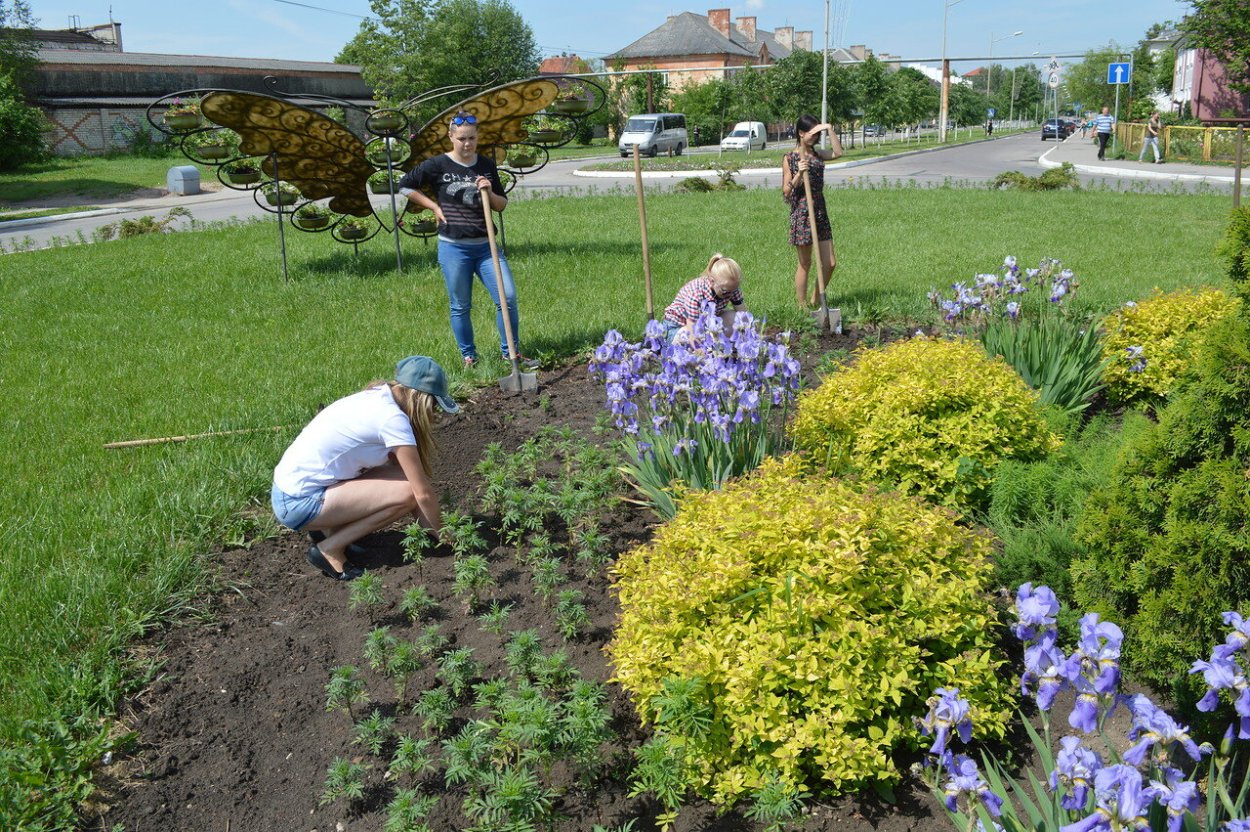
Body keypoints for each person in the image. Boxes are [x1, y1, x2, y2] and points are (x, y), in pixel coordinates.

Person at [271, 355, 457, 581]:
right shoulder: (393, 421)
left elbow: (407, 476)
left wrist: (435, 533)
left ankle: (328, 530)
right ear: (421, 400)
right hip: (297, 502)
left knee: (404, 479)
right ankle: (330, 548)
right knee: (408, 492)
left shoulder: (378, 397)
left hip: (292, 488)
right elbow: (421, 493)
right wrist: (448, 538)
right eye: (435, 405)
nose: (434, 413)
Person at [398, 110, 536, 369]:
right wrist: (434, 207)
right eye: (461, 138)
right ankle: (469, 357)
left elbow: (501, 205)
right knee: (460, 305)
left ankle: (511, 353)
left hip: (487, 247)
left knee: (507, 297)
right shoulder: (437, 165)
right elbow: (405, 186)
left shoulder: (485, 165)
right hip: (454, 248)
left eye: (471, 138)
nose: (467, 143)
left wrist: (488, 190)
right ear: (451, 136)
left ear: (478, 136)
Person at [781, 114, 843, 309]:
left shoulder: (817, 155)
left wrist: (829, 129)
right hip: (802, 213)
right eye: (812, 133)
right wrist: (799, 173)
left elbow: (838, 153)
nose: (815, 137)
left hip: (819, 210)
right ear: (801, 133)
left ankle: (816, 298)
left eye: (818, 133)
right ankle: (801, 306)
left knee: (830, 263)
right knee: (805, 263)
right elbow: (786, 191)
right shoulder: (790, 158)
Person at [660, 253, 747, 340]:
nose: (729, 294)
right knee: (690, 338)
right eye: (725, 291)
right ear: (712, 281)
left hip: (704, 323)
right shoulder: (696, 294)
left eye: (733, 290)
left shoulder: (730, 287)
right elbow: (692, 329)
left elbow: (742, 313)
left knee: (735, 320)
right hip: (678, 326)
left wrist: (748, 333)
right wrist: (703, 349)